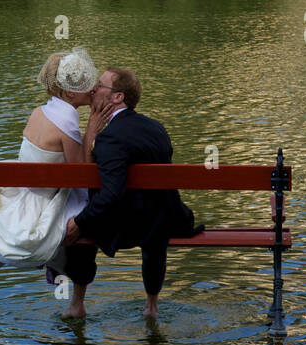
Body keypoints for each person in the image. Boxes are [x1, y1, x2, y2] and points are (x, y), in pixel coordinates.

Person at [0, 48, 114, 311]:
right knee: (86, 215)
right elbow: (80, 173)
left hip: (23, 188)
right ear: (70, 93)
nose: (93, 88)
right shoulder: (68, 121)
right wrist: (92, 130)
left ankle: (75, 301)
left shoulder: (42, 111)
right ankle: (77, 301)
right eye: (87, 86)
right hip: (40, 197)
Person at [64, 66, 204, 317]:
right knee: (154, 216)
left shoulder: (110, 138)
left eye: (100, 85)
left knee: (80, 219)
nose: (94, 89)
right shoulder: (156, 127)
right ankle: (152, 305)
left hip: (128, 226)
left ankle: (77, 304)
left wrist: (79, 221)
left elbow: (110, 196)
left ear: (118, 97)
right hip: (163, 220)